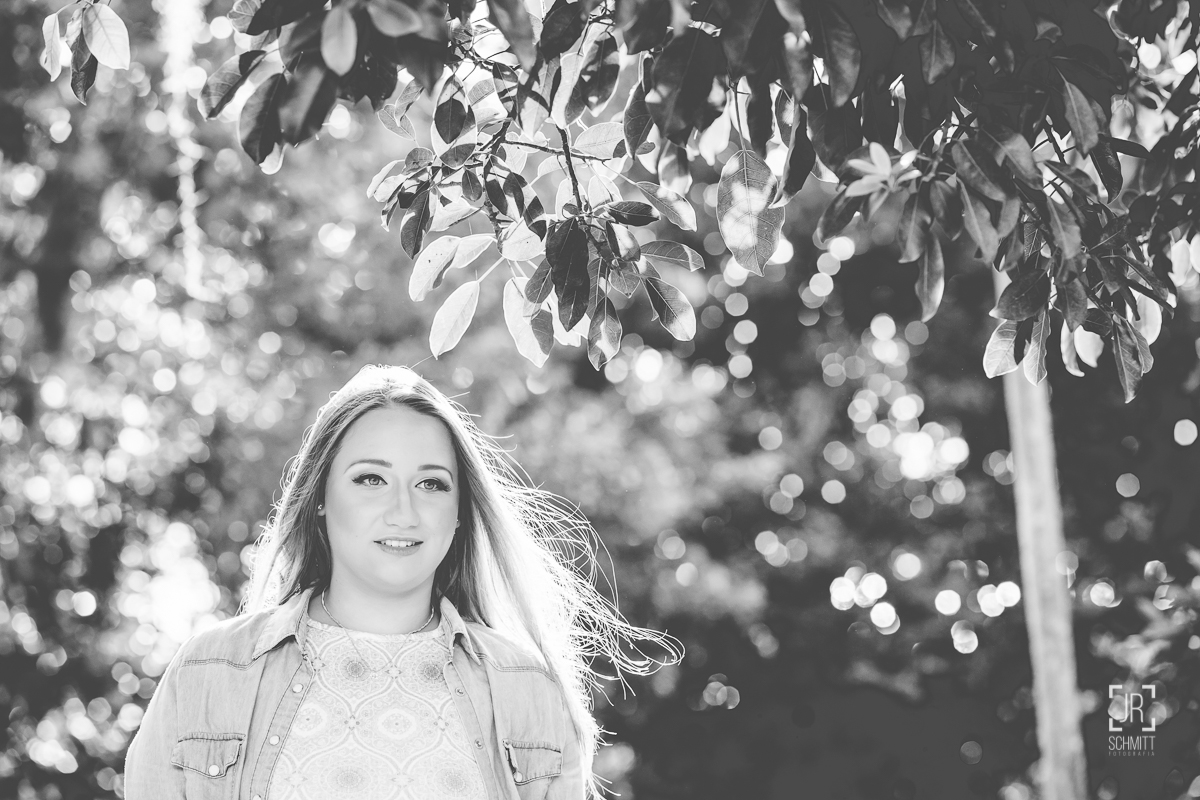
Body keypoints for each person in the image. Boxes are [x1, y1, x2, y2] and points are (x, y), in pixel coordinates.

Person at [123, 364, 680, 800]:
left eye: (431, 484)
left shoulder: (526, 689)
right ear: (320, 498)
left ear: (459, 513)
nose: (403, 511)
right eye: (371, 478)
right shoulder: (209, 673)